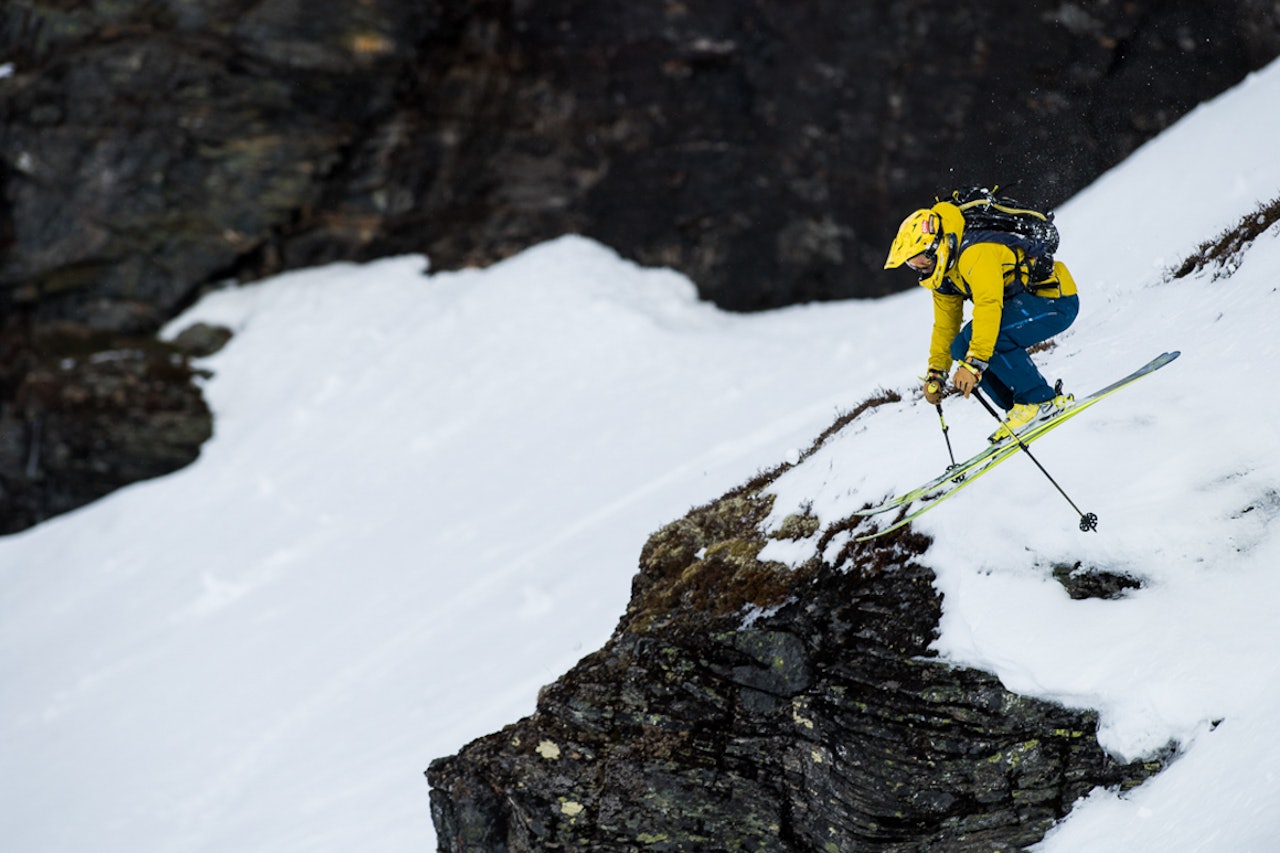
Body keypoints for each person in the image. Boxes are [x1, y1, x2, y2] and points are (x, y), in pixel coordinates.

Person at [884, 200, 1080, 442]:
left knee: (990, 339)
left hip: (1054, 302)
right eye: (912, 264)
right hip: (1023, 305)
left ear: (938, 246)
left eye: (922, 260)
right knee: (960, 346)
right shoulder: (944, 273)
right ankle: (1020, 409)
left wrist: (973, 366)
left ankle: (1040, 401)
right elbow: (946, 326)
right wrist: (936, 373)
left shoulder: (975, 253)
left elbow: (989, 307)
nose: (920, 268)